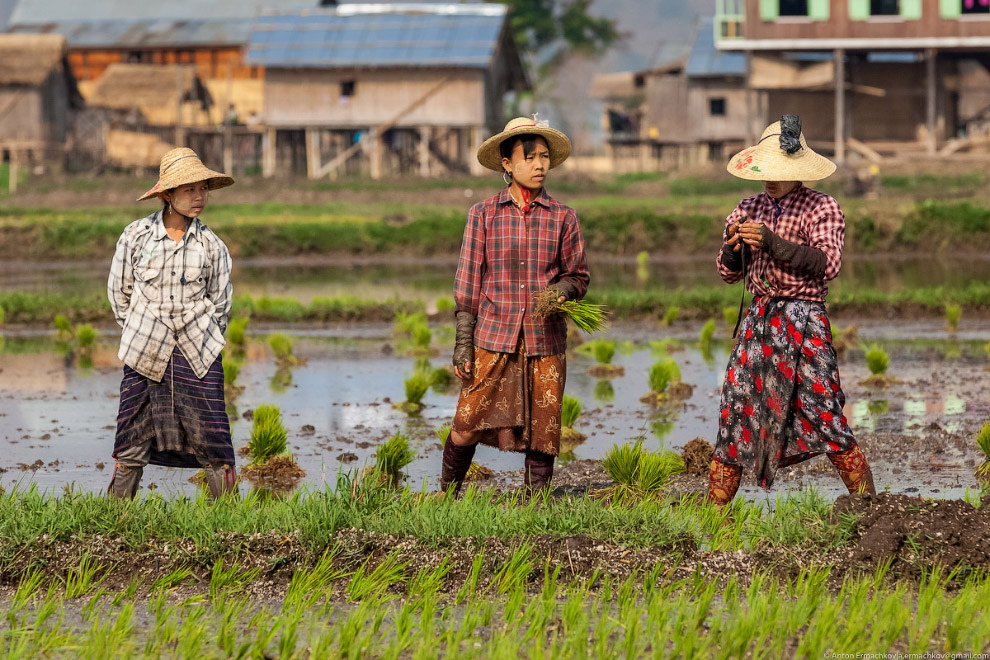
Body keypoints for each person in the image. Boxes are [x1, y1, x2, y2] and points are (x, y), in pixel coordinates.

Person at [709, 115, 876, 505]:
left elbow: (828, 263)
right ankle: (710, 518)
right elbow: (726, 274)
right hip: (759, 324)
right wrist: (734, 248)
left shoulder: (823, 207)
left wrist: (773, 243)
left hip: (804, 323)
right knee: (736, 409)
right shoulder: (746, 208)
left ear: (798, 169)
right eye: (765, 169)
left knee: (825, 411)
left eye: (779, 170)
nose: (769, 177)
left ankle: (871, 509)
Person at [440, 116, 590, 497]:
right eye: (530, 157)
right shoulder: (483, 214)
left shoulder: (564, 217)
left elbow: (578, 277)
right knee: (468, 420)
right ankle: (446, 495)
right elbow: (468, 284)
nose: (540, 165)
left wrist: (562, 291)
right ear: (507, 163)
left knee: (545, 427)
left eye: (544, 157)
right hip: (494, 335)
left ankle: (535, 506)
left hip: (545, 340)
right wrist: (462, 343)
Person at [107, 147, 237, 499]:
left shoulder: (211, 246)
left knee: (213, 436)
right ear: (167, 194)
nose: (199, 197)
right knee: (132, 434)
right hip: (146, 351)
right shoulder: (136, 236)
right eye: (189, 189)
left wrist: (200, 335)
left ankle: (227, 517)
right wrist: (140, 330)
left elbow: (221, 306)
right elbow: (120, 294)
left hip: (198, 350)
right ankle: (115, 515)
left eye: (203, 189)